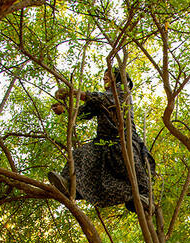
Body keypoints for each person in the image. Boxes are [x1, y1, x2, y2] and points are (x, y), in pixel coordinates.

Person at [48, 66, 156, 212]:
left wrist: (71, 92)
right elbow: (82, 113)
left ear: (118, 78)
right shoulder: (101, 98)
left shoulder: (122, 92)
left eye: (109, 75)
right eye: (104, 75)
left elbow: (100, 98)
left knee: (134, 170)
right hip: (103, 143)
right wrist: (65, 109)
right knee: (80, 155)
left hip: (123, 141)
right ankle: (70, 185)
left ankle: (144, 198)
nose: (105, 78)